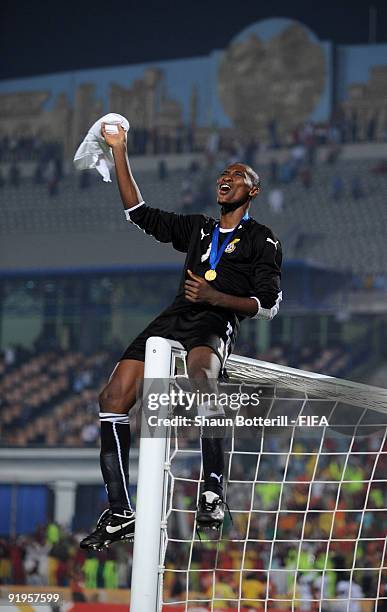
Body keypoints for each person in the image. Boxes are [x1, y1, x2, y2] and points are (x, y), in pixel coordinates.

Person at [80, 124, 282, 551]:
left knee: (203, 382)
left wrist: (215, 295)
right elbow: (139, 213)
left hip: (214, 319)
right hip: (175, 317)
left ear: (254, 190)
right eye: (222, 175)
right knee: (111, 398)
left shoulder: (263, 240)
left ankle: (212, 489)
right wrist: (120, 150)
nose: (225, 179)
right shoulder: (197, 228)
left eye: (237, 175)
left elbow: (268, 304)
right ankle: (119, 511)